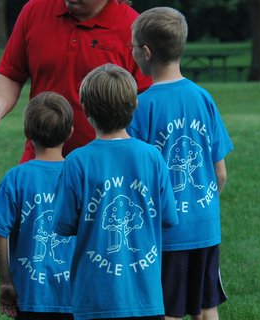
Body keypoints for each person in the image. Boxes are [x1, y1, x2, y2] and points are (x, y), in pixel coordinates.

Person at [127, 7, 234, 320]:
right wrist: (199, 207)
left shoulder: (141, 106)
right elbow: (220, 172)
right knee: (205, 308)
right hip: (206, 228)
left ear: (145, 52)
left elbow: (138, 178)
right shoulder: (203, 97)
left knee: (167, 310)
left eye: (132, 46)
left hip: (166, 234)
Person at [52, 63, 179, 320]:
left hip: (94, 299)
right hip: (146, 298)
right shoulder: (152, 156)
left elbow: (63, 224)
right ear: (134, 106)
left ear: (85, 110)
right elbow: (168, 217)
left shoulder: (77, 161)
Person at [0, 0, 152, 163]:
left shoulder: (134, 28)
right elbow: (11, 73)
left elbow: (147, 103)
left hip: (105, 167)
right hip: (41, 159)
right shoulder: (35, 10)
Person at [0, 92, 76, 320]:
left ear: (27, 134)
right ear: (70, 133)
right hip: (75, 296)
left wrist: (6, 281)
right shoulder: (80, 175)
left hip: (30, 296)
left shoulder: (16, 178)